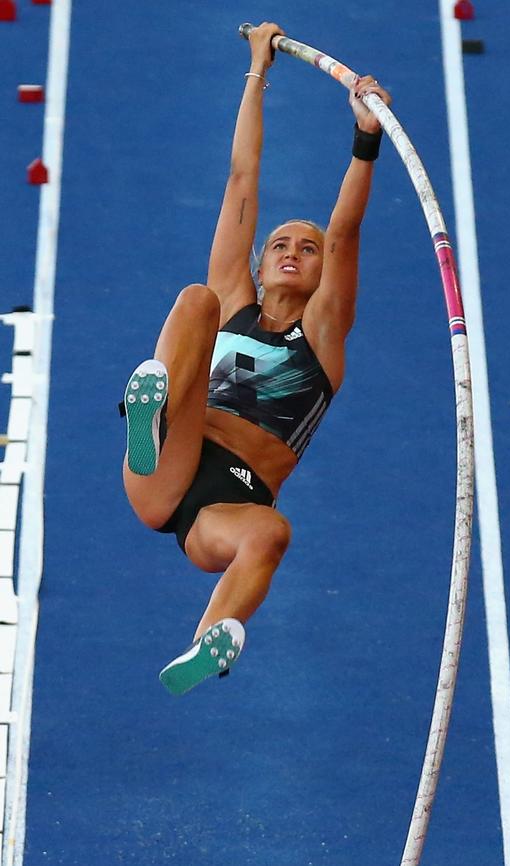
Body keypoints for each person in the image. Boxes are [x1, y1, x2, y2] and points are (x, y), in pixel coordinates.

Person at [121, 22, 391, 695]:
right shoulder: (236, 297)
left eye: (308, 248)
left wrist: (365, 139)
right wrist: (256, 72)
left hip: (218, 509)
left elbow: (347, 230)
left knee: (271, 533)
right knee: (195, 302)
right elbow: (244, 175)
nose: (295, 251)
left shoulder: (322, 338)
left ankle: (210, 643)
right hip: (170, 456)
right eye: (281, 245)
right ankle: (148, 408)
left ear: (322, 271)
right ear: (262, 263)